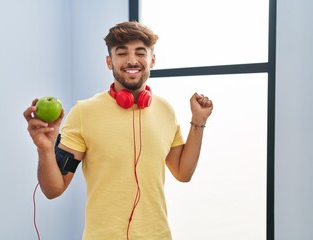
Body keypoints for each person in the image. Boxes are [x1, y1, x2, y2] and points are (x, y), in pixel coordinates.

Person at [23, 21, 213, 240]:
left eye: (140, 53)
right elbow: (53, 190)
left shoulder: (165, 110)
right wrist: (44, 149)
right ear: (109, 61)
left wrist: (198, 121)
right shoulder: (84, 112)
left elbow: (183, 172)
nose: (132, 60)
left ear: (152, 60)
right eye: (121, 53)